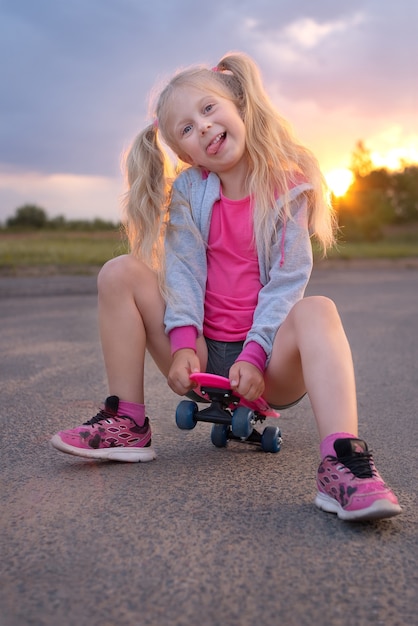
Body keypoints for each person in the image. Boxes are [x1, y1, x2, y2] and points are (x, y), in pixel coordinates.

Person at [51, 52, 401, 522]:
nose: (204, 128)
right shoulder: (191, 193)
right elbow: (182, 273)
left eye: (208, 109)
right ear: (184, 155)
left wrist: (255, 354)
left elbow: (286, 283)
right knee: (119, 272)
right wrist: (182, 344)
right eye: (186, 129)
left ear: (237, 103)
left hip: (270, 359)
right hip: (197, 350)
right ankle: (128, 421)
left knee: (319, 309)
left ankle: (344, 463)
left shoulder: (286, 187)